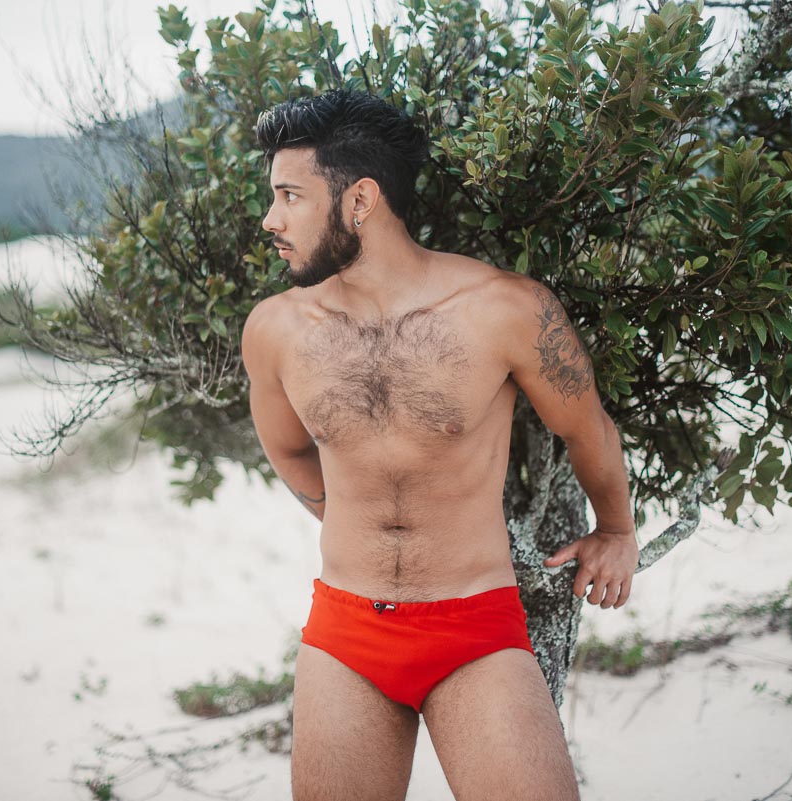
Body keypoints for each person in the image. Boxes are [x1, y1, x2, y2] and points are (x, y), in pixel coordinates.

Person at [241, 89, 639, 801]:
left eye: (290, 196)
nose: (271, 219)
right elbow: (290, 451)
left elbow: (588, 429)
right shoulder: (276, 330)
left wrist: (615, 529)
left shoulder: (505, 308)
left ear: (360, 200)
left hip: (475, 628)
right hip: (345, 632)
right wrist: (354, 518)